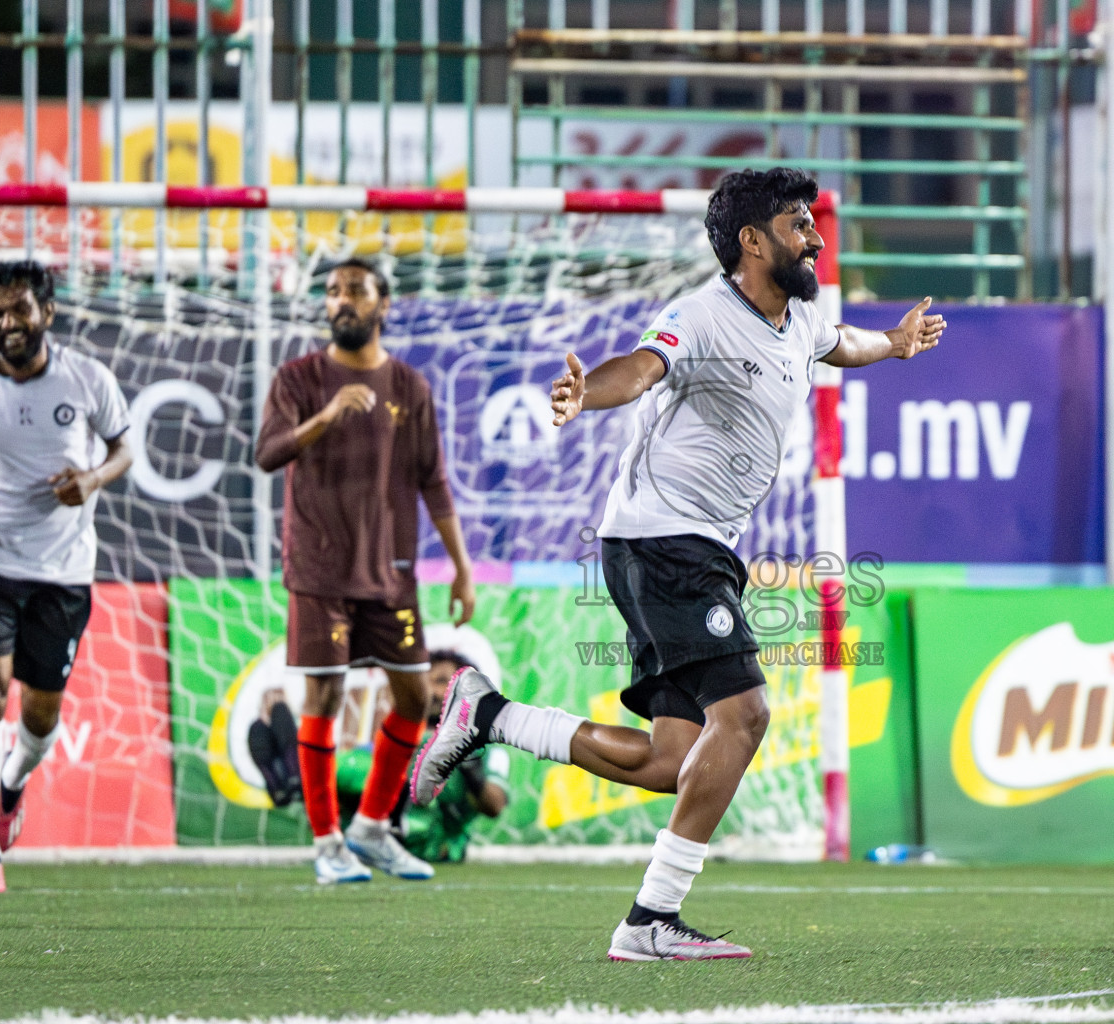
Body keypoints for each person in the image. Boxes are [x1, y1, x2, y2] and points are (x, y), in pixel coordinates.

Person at [413, 167, 945, 958]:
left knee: (673, 761)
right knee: (748, 714)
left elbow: (847, 345)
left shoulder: (800, 319)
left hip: (680, 545)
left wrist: (897, 345)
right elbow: (639, 367)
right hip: (668, 539)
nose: (816, 236)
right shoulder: (700, 313)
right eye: (799, 223)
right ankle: (650, 918)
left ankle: (488, 715)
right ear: (753, 241)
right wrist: (580, 394)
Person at [256, 258, 477, 885]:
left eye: (355, 292)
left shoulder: (409, 387)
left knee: (411, 697)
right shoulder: (298, 379)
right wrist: (324, 419)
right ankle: (327, 842)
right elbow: (268, 453)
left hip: (390, 574)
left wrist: (461, 568)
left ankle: (372, 828)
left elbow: (432, 480)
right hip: (320, 570)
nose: (341, 302)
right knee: (322, 698)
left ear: (384, 305)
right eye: (331, 292)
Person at [0, 260, 132, 895]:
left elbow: (124, 447)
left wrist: (91, 479)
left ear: (47, 312)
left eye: (20, 310)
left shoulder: (87, 378)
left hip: (62, 571)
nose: (9, 322)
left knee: (38, 719)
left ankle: (12, 780)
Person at [336, 651, 509, 863]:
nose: (430, 691)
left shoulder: (486, 748)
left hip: (441, 858)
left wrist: (470, 764)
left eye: (441, 681)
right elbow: (339, 774)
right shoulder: (388, 741)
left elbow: (495, 805)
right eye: (423, 681)